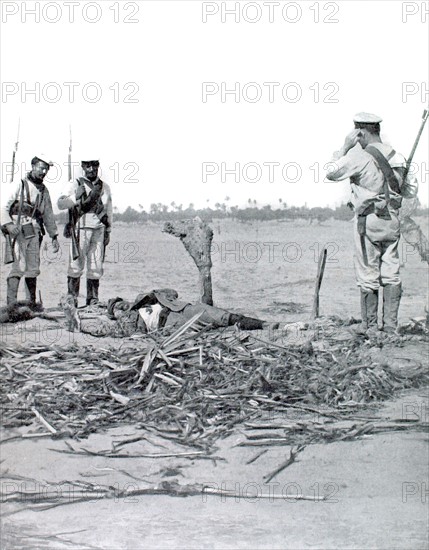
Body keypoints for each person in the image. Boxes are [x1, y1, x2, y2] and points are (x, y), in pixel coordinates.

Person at [326, 112, 418, 334]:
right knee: (391, 273)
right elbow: (411, 191)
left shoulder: (358, 157)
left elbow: (330, 172)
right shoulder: (398, 157)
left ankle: (370, 329)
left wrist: (344, 147)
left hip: (368, 223)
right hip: (392, 222)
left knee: (368, 276)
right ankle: (390, 329)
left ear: (360, 132)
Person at [62, 288, 279, 337]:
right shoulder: (127, 317)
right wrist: (80, 324)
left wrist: (150, 296)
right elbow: (105, 326)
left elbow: (171, 292)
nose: (120, 307)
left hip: (179, 311)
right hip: (161, 324)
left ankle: (263, 325)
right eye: (116, 308)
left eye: (120, 304)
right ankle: (79, 324)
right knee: (215, 330)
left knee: (223, 317)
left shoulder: (153, 299)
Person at [1, 154, 60, 306]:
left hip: (35, 230)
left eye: (46, 169)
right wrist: (8, 225)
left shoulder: (44, 190)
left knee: (33, 267)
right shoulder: (19, 184)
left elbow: (48, 214)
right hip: (18, 229)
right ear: (33, 166)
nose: (44, 172)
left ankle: (30, 303)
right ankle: (11, 305)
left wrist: (54, 236)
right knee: (19, 266)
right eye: (41, 168)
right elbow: (3, 206)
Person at [57, 156, 112, 306]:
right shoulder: (74, 184)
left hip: (99, 229)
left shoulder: (104, 187)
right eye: (88, 166)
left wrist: (109, 229)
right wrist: (75, 196)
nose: (91, 169)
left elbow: (108, 210)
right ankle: (72, 299)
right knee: (76, 266)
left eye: (94, 165)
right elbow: (61, 204)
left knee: (96, 266)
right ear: (83, 167)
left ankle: (92, 299)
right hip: (81, 228)